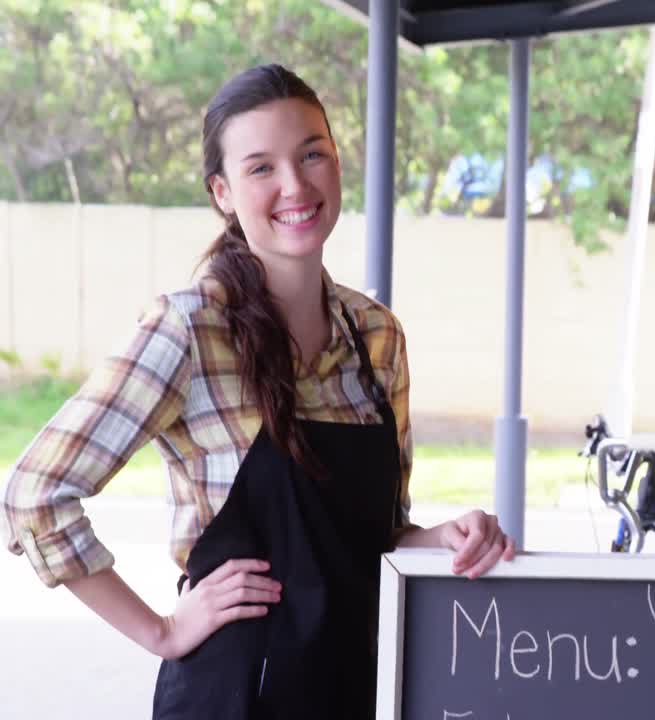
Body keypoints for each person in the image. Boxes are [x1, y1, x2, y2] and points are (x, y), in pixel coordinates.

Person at [2, 64, 515, 719]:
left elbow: (372, 538)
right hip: (232, 696)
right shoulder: (190, 328)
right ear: (223, 192)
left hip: (354, 690)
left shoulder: (378, 335)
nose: (295, 186)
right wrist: (162, 630)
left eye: (312, 155)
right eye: (261, 168)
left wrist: (441, 537)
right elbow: (34, 495)